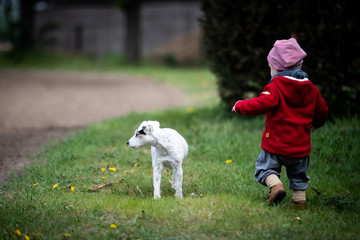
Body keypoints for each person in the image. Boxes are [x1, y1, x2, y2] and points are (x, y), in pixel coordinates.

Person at [232, 38, 328, 208]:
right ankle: (299, 202)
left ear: (276, 67)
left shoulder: (275, 86)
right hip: (301, 146)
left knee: (264, 168)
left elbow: (261, 103)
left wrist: (240, 105)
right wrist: (316, 123)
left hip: (276, 144)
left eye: (270, 67)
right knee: (298, 175)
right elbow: (322, 110)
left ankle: (275, 186)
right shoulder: (311, 88)